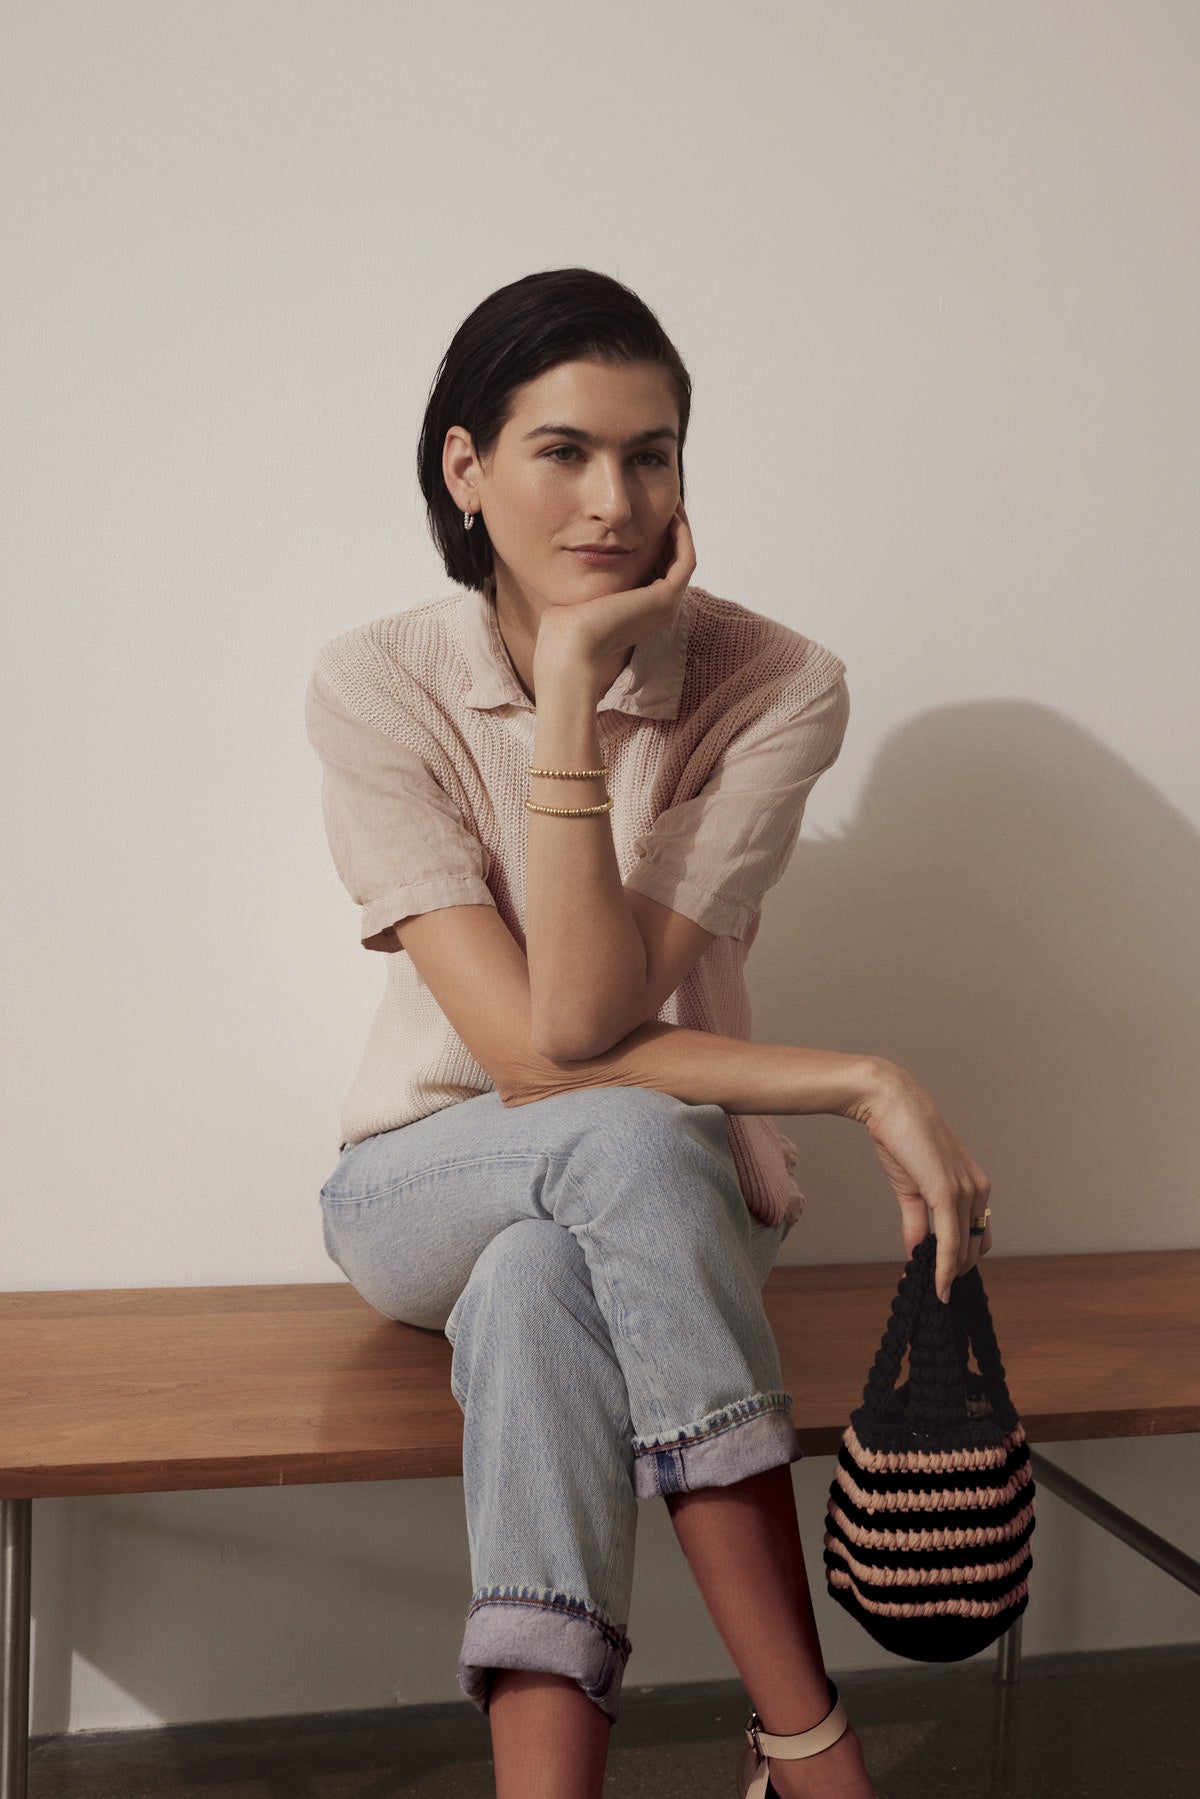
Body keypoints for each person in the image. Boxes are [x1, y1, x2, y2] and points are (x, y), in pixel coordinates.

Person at [304, 267, 993, 1799]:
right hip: (423, 1179)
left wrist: (572, 686)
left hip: (657, 1207)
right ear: (465, 468)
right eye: (563, 451)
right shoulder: (377, 682)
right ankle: (809, 1742)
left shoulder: (772, 684)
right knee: (617, 1131)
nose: (614, 498)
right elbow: (541, 1046)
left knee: (542, 1291)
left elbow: (594, 1016)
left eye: (654, 452)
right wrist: (854, 1077)